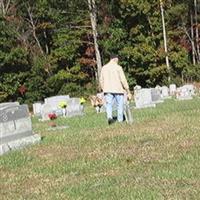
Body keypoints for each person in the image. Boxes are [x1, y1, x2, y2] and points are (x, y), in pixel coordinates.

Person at [99, 54, 131, 124]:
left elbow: (101, 80)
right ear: (114, 59)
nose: (118, 60)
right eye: (117, 59)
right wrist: (128, 90)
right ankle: (120, 119)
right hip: (118, 89)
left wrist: (103, 88)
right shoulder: (118, 67)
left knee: (109, 104)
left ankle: (109, 117)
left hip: (107, 89)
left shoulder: (104, 68)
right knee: (120, 105)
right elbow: (123, 79)